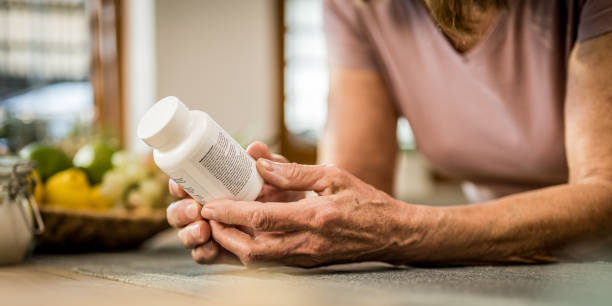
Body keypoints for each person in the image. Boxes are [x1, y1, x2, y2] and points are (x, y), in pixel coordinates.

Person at [166, 0, 612, 267]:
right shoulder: (360, 5)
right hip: (505, 267)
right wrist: (288, 213)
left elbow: (604, 191)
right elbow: (354, 191)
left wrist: (410, 230)